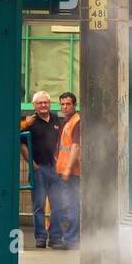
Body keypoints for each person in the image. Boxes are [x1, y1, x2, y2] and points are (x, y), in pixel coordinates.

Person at [21, 91, 63, 248]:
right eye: (40, 103)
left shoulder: (57, 120)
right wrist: (32, 164)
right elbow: (22, 144)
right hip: (39, 170)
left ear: (49, 103)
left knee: (58, 204)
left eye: (46, 102)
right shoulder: (30, 123)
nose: (43, 105)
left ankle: (56, 238)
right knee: (38, 205)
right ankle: (40, 238)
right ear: (34, 105)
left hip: (56, 169)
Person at [52, 91, 81, 249]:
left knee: (72, 204)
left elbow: (76, 146)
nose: (64, 107)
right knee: (67, 204)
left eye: (68, 104)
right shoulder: (67, 121)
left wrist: (68, 168)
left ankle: (71, 239)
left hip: (71, 172)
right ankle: (69, 237)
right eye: (62, 104)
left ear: (74, 105)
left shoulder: (76, 121)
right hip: (64, 170)